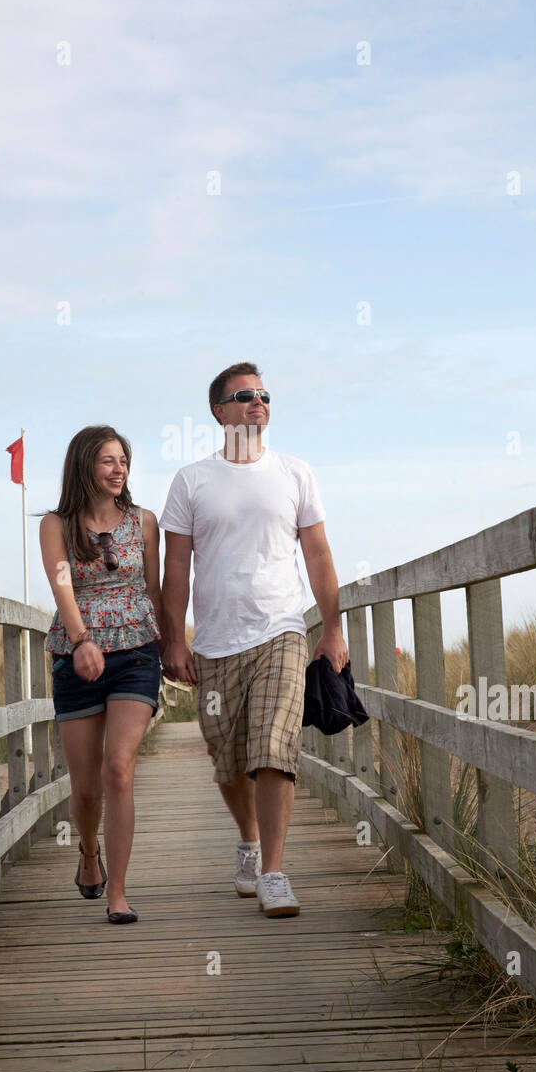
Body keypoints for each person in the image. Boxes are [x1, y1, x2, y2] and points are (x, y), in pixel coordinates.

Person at [159, 363, 348, 917]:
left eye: (263, 395)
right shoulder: (191, 481)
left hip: (281, 629)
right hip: (216, 641)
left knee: (272, 747)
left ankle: (273, 872)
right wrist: (174, 639)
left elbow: (317, 554)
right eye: (244, 396)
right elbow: (176, 571)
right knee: (227, 757)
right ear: (219, 410)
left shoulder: (294, 473)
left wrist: (331, 628)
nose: (257, 403)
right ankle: (248, 840)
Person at [38, 425, 163, 924]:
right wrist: (82, 640)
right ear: (84, 465)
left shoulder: (144, 522)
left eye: (124, 461)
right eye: (108, 461)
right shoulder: (56, 525)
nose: (118, 470)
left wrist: (169, 645)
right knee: (86, 786)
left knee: (119, 769)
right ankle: (90, 855)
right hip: (78, 658)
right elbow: (62, 587)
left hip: (137, 655)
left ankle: (119, 893)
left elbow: (154, 590)